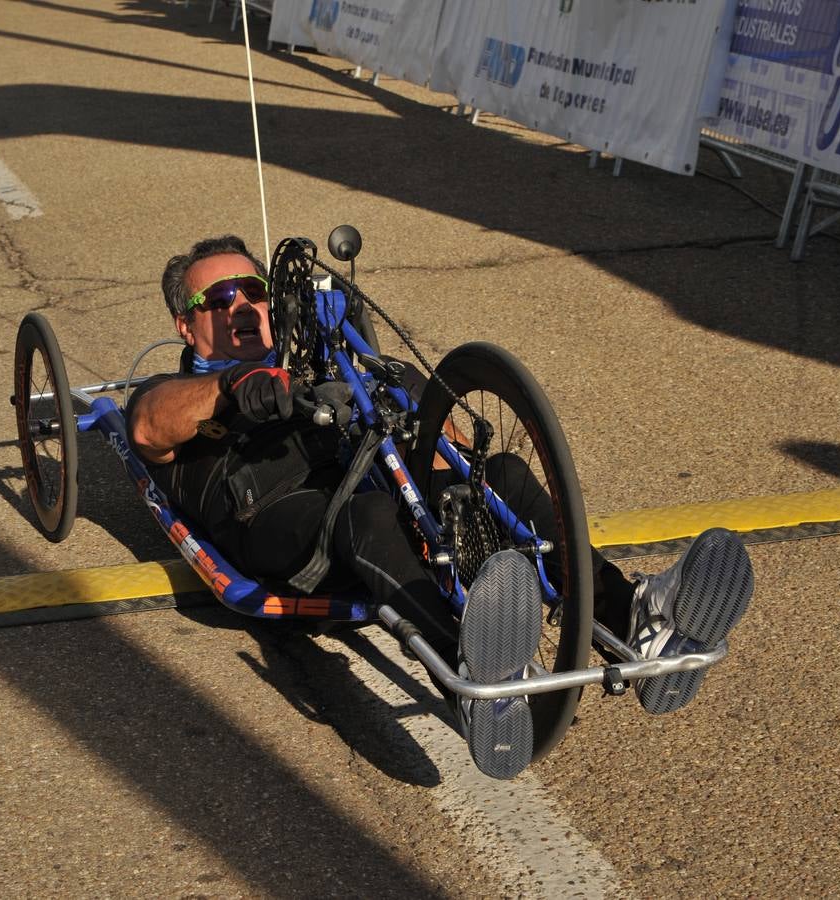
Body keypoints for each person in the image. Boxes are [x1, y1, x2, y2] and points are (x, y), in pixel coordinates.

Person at [128, 235, 754, 773]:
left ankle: (635, 615)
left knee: (501, 473)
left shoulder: (322, 365)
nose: (240, 306)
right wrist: (236, 386)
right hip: (276, 524)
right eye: (217, 299)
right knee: (364, 514)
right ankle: (474, 672)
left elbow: (440, 443)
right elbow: (149, 428)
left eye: (252, 290)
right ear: (187, 325)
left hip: (371, 489)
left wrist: (410, 418)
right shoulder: (174, 391)